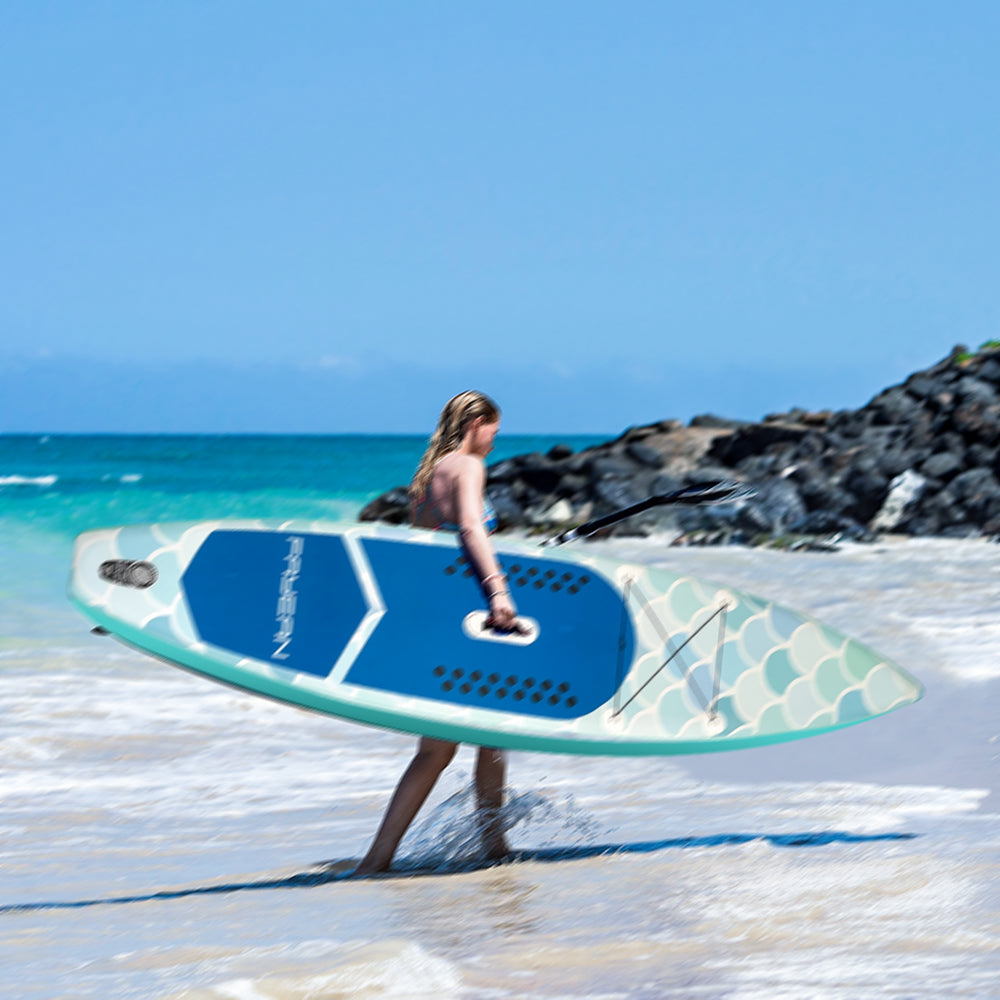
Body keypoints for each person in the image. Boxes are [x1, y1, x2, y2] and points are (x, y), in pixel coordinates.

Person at [354, 391, 516, 875]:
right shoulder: (466, 467)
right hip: (473, 618)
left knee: (447, 747)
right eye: (493, 429)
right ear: (476, 423)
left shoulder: (424, 480)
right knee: (482, 735)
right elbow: (470, 528)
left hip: (437, 621)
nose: (494, 439)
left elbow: (424, 558)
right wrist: (498, 590)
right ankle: (486, 847)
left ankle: (484, 848)